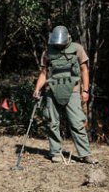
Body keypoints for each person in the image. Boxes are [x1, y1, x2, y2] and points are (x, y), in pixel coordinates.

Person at [32, 25, 98, 164]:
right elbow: (44, 73)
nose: (59, 45)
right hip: (52, 90)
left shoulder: (77, 49)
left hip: (72, 90)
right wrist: (37, 88)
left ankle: (85, 154)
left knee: (77, 123)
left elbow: (84, 70)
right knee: (52, 122)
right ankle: (55, 152)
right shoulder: (48, 52)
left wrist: (85, 90)